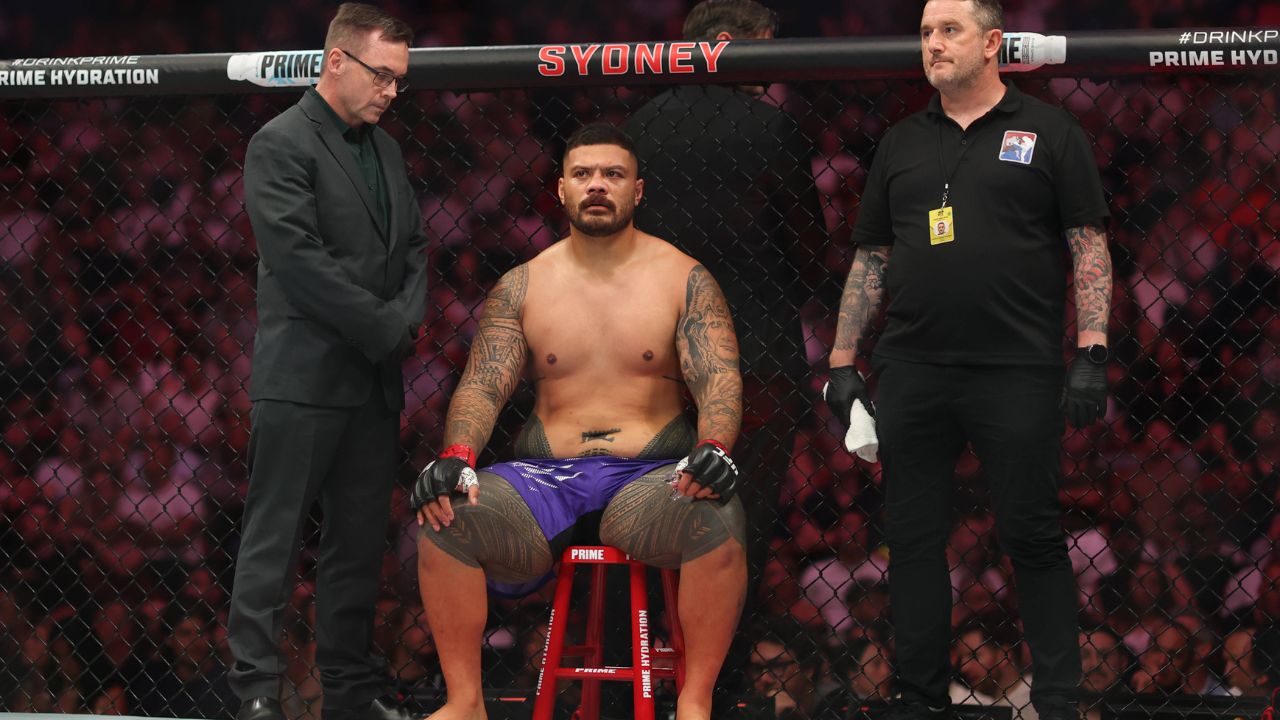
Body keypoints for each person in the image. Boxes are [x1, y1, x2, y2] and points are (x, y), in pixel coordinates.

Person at [823, 1, 1113, 719]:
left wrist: (1092, 350)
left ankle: (1057, 701)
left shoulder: (1050, 129)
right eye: (925, 33)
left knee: (1033, 534)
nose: (933, 44)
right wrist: (841, 358)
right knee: (914, 541)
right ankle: (921, 702)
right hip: (914, 365)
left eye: (948, 30)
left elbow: (1087, 243)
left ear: (991, 44)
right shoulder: (901, 142)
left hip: (1015, 365)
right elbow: (871, 256)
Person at [411, 122, 747, 720]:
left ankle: (696, 703)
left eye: (613, 175)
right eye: (583, 175)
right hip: (543, 479)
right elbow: (483, 383)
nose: (598, 186)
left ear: (637, 191)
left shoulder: (682, 278)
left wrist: (715, 445)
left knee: (717, 513)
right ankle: (465, 703)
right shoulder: (524, 285)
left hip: (650, 478)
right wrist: (456, 456)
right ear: (561, 190)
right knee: (445, 515)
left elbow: (717, 376)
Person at [227, 5, 428, 720]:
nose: (391, 92)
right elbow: (298, 260)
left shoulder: (388, 150)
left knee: (357, 544)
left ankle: (350, 690)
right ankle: (256, 687)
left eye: (400, 81)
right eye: (383, 75)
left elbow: (415, 249)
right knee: (275, 538)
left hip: (372, 380)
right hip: (305, 374)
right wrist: (386, 327)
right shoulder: (279, 143)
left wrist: (403, 319)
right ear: (337, 61)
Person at [622, 0, 827, 696]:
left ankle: (639, 687)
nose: (770, 70)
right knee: (740, 528)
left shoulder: (640, 129)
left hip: (657, 355)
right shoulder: (771, 129)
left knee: (651, 527)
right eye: (763, 51)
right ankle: (718, 692)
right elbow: (806, 250)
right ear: (724, 44)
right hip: (754, 351)